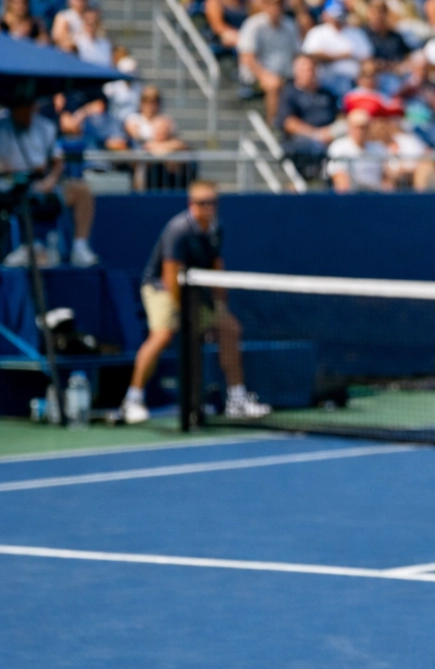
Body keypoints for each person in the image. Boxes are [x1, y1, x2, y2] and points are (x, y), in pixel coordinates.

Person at [122, 181, 270, 424]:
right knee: (163, 334)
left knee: (230, 329)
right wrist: (185, 316)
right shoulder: (178, 229)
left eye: (212, 203)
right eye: (202, 203)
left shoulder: (215, 228)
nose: (208, 208)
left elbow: (216, 267)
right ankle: (133, 399)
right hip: (161, 287)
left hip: (195, 289)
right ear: (191, 204)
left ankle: (237, 399)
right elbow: (171, 275)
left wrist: (219, 306)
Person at [0, 96, 98, 267]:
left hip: (44, 183)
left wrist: (50, 181)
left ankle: (80, 247)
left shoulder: (46, 127)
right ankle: (26, 246)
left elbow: (57, 162)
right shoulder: (2, 128)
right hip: (10, 185)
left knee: (81, 189)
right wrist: (18, 170)